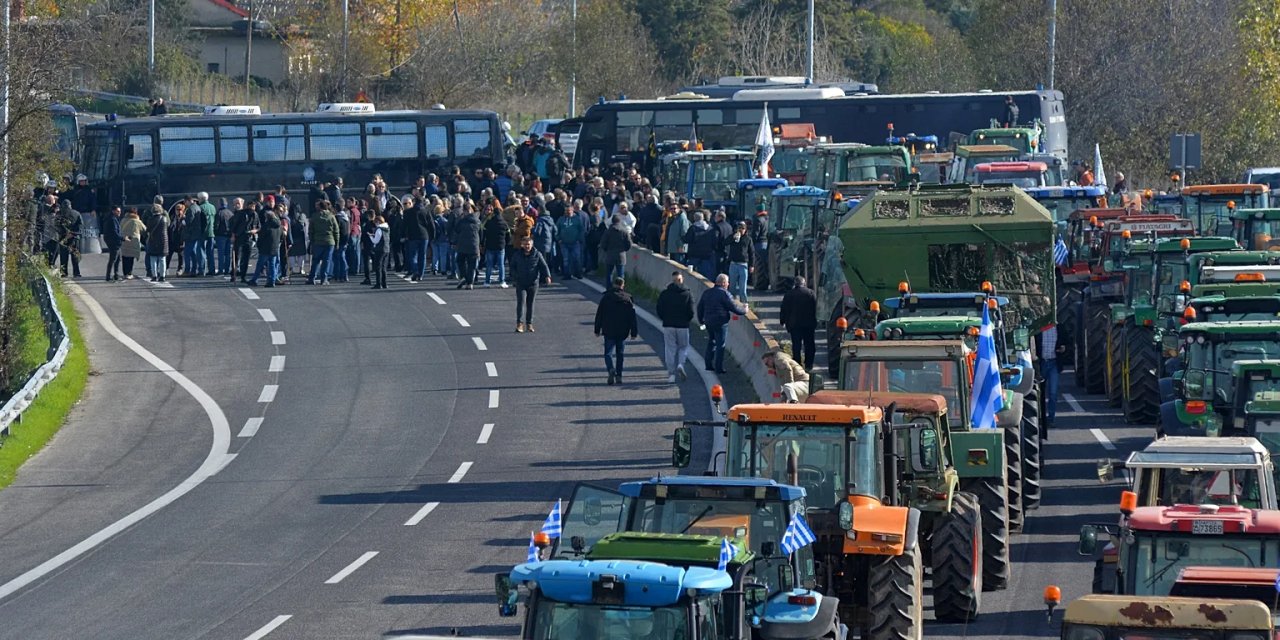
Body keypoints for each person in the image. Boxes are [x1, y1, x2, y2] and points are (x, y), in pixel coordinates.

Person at [698, 274, 748, 374]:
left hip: (708, 321)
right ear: (723, 283)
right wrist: (745, 310)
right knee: (721, 345)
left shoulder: (707, 292)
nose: (728, 284)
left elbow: (700, 307)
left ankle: (708, 365)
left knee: (711, 342)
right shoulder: (725, 294)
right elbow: (734, 308)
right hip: (720, 322)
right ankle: (718, 367)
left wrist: (701, 321)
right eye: (727, 282)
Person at [594, 277, 638, 385]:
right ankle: (619, 376)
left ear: (614, 284)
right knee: (620, 354)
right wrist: (634, 332)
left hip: (609, 329)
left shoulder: (606, 297)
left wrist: (597, 329)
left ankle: (610, 369)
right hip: (622, 331)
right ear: (623, 285)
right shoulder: (628, 299)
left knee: (608, 353)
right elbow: (632, 317)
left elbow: (599, 315)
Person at [656, 271, 695, 383]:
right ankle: (681, 364)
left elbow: (659, 308)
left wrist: (665, 319)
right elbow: (691, 311)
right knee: (683, 347)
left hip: (669, 325)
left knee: (670, 349)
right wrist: (686, 320)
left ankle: (671, 373)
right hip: (683, 325)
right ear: (681, 279)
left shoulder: (665, 293)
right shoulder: (687, 294)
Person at [511, 236, 552, 333]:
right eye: (525, 244)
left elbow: (543, 266)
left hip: (533, 283)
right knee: (521, 302)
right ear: (522, 245)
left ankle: (529, 324)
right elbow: (512, 266)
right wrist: (515, 277)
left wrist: (547, 276)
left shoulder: (537, 254)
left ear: (532, 245)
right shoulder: (517, 255)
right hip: (520, 282)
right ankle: (519, 324)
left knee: (530, 303)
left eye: (528, 244)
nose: (527, 246)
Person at [780, 276, 818, 370]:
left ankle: (797, 365)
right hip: (808, 325)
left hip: (794, 325)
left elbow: (784, 309)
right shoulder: (810, 293)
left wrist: (782, 321)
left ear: (795, 284)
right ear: (804, 283)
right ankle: (809, 365)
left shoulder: (789, 294)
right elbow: (816, 308)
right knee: (809, 344)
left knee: (796, 345)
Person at [248, 206, 282, 287]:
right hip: (275, 248)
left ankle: (254, 280)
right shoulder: (278, 225)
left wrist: (259, 246)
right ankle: (272, 281)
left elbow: (261, 237)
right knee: (272, 265)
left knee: (260, 265)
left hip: (265, 249)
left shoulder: (266, 226)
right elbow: (280, 236)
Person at [307, 201, 339, 284]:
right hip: (329, 241)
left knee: (315, 260)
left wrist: (312, 240)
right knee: (326, 261)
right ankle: (324, 279)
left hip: (318, 241)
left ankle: (312, 278)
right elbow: (336, 230)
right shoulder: (331, 217)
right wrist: (337, 242)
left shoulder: (314, 216)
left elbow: (311, 230)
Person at [1038, 324, 1063, 427]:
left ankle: (1051, 418)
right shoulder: (1038, 330)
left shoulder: (1059, 328)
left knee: (1053, 393)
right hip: (1042, 363)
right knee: (1040, 392)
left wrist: (1063, 348)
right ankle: (1040, 417)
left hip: (1054, 363)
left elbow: (1066, 342)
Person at [453, 203, 482, 290]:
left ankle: (463, 277)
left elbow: (456, 229)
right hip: (474, 245)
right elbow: (481, 233)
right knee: (472, 265)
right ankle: (470, 283)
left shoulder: (462, 221)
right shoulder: (477, 221)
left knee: (460, 261)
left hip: (462, 245)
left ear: (464, 211)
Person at [403, 195, 432, 281]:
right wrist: (432, 236)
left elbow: (405, 225)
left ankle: (415, 270)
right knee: (422, 255)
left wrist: (404, 235)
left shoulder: (408, 212)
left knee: (413, 255)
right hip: (424, 235)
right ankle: (421, 274)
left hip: (413, 235)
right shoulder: (426, 211)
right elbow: (430, 224)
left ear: (414, 202)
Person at [724, 220, 754, 301]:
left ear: (745, 229)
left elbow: (751, 253)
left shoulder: (748, 239)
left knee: (743, 287)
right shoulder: (733, 236)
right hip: (733, 264)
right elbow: (725, 242)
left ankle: (744, 303)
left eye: (743, 228)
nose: (741, 230)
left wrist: (752, 265)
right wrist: (733, 238)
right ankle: (731, 302)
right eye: (739, 228)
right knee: (732, 287)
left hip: (743, 264)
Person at [482, 203, 511, 287]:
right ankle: (502, 281)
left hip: (490, 245)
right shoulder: (504, 223)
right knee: (501, 265)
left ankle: (487, 282)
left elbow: (484, 233)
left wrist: (483, 243)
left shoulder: (489, 222)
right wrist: (506, 243)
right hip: (501, 246)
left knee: (489, 265)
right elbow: (508, 235)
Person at [683, 211, 717, 277]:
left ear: (694, 218)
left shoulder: (693, 228)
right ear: (703, 218)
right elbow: (714, 241)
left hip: (694, 255)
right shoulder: (710, 228)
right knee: (706, 276)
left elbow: (687, 239)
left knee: (690, 275)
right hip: (707, 255)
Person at [600, 214, 632, 282]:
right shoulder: (624, 231)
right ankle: (620, 289)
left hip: (610, 254)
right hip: (621, 255)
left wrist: (607, 250)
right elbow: (629, 244)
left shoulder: (608, 231)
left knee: (609, 274)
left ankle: (609, 289)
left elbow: (603, 243)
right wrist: (624, 250)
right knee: (620, 274)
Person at [56, 202, 83, 278]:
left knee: (63, 256)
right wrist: (74, 233)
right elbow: (81, 226)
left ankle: (64, 273)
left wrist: (64, 233)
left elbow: (56, 226)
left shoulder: (60, 214)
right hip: (74, 238)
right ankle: (76, 273)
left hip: (64, 238)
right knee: (75, 256)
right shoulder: (77, 213)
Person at [145, 204, 170, 282]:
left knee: (153, 259)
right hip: (163, 241)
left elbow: (147, 229)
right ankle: (162, 276)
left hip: (153, 241)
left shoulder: (150, 220)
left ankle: (154, 276)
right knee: (162, 259)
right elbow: (168, 226)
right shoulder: (164, 219)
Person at [119, 208, 144, 279]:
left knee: (125, 257)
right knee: (131, 258)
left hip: (124, 241)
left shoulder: (123, 220)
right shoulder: (136, 221)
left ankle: (125, 273)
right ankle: (129, 273)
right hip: (133, 242)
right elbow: (144, 229)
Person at [368, 214, 391, 289]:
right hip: (386, 249)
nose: (375, 224)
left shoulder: (379, 229)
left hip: (380, 250)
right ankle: (385, 283)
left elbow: (375, 241)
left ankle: (378, 283)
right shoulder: (387, 228)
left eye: (375, 222)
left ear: (378, 222)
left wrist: (371, 236)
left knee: (378, 267)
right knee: (384, 267)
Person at [100, 205, 123, 281]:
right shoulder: (112, 219)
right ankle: (108, 276)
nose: (119, 213)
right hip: (114, 241)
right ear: (113, 211)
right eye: (118, 211)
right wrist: (122, 238)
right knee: (113, 259)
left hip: (113, 240)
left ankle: (116, 275)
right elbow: (114, 232)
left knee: (117, 259)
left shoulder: (112, 218)